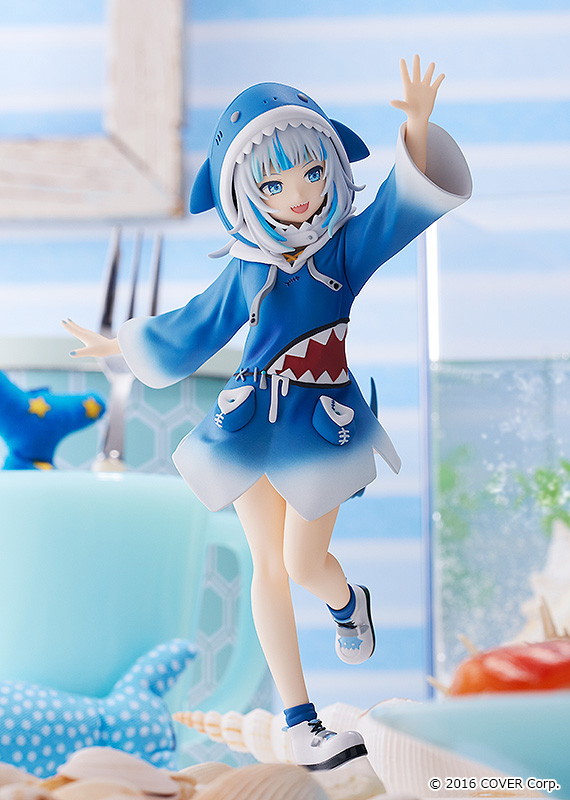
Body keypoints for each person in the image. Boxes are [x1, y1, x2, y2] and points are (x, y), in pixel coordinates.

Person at [63, 56, 471, 770]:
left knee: (304, 562)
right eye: (274, 184)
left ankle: (346, 601)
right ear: (242, 193)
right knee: (268, 569)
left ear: (332, 167)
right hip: (248, 422)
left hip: (319, 427)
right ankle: (300, 722)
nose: (298, 196)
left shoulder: (344, 251)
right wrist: (120, 343)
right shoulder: (246, 266)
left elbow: (395, 209)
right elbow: (194, 323)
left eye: (312, 173)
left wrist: (414, 128)